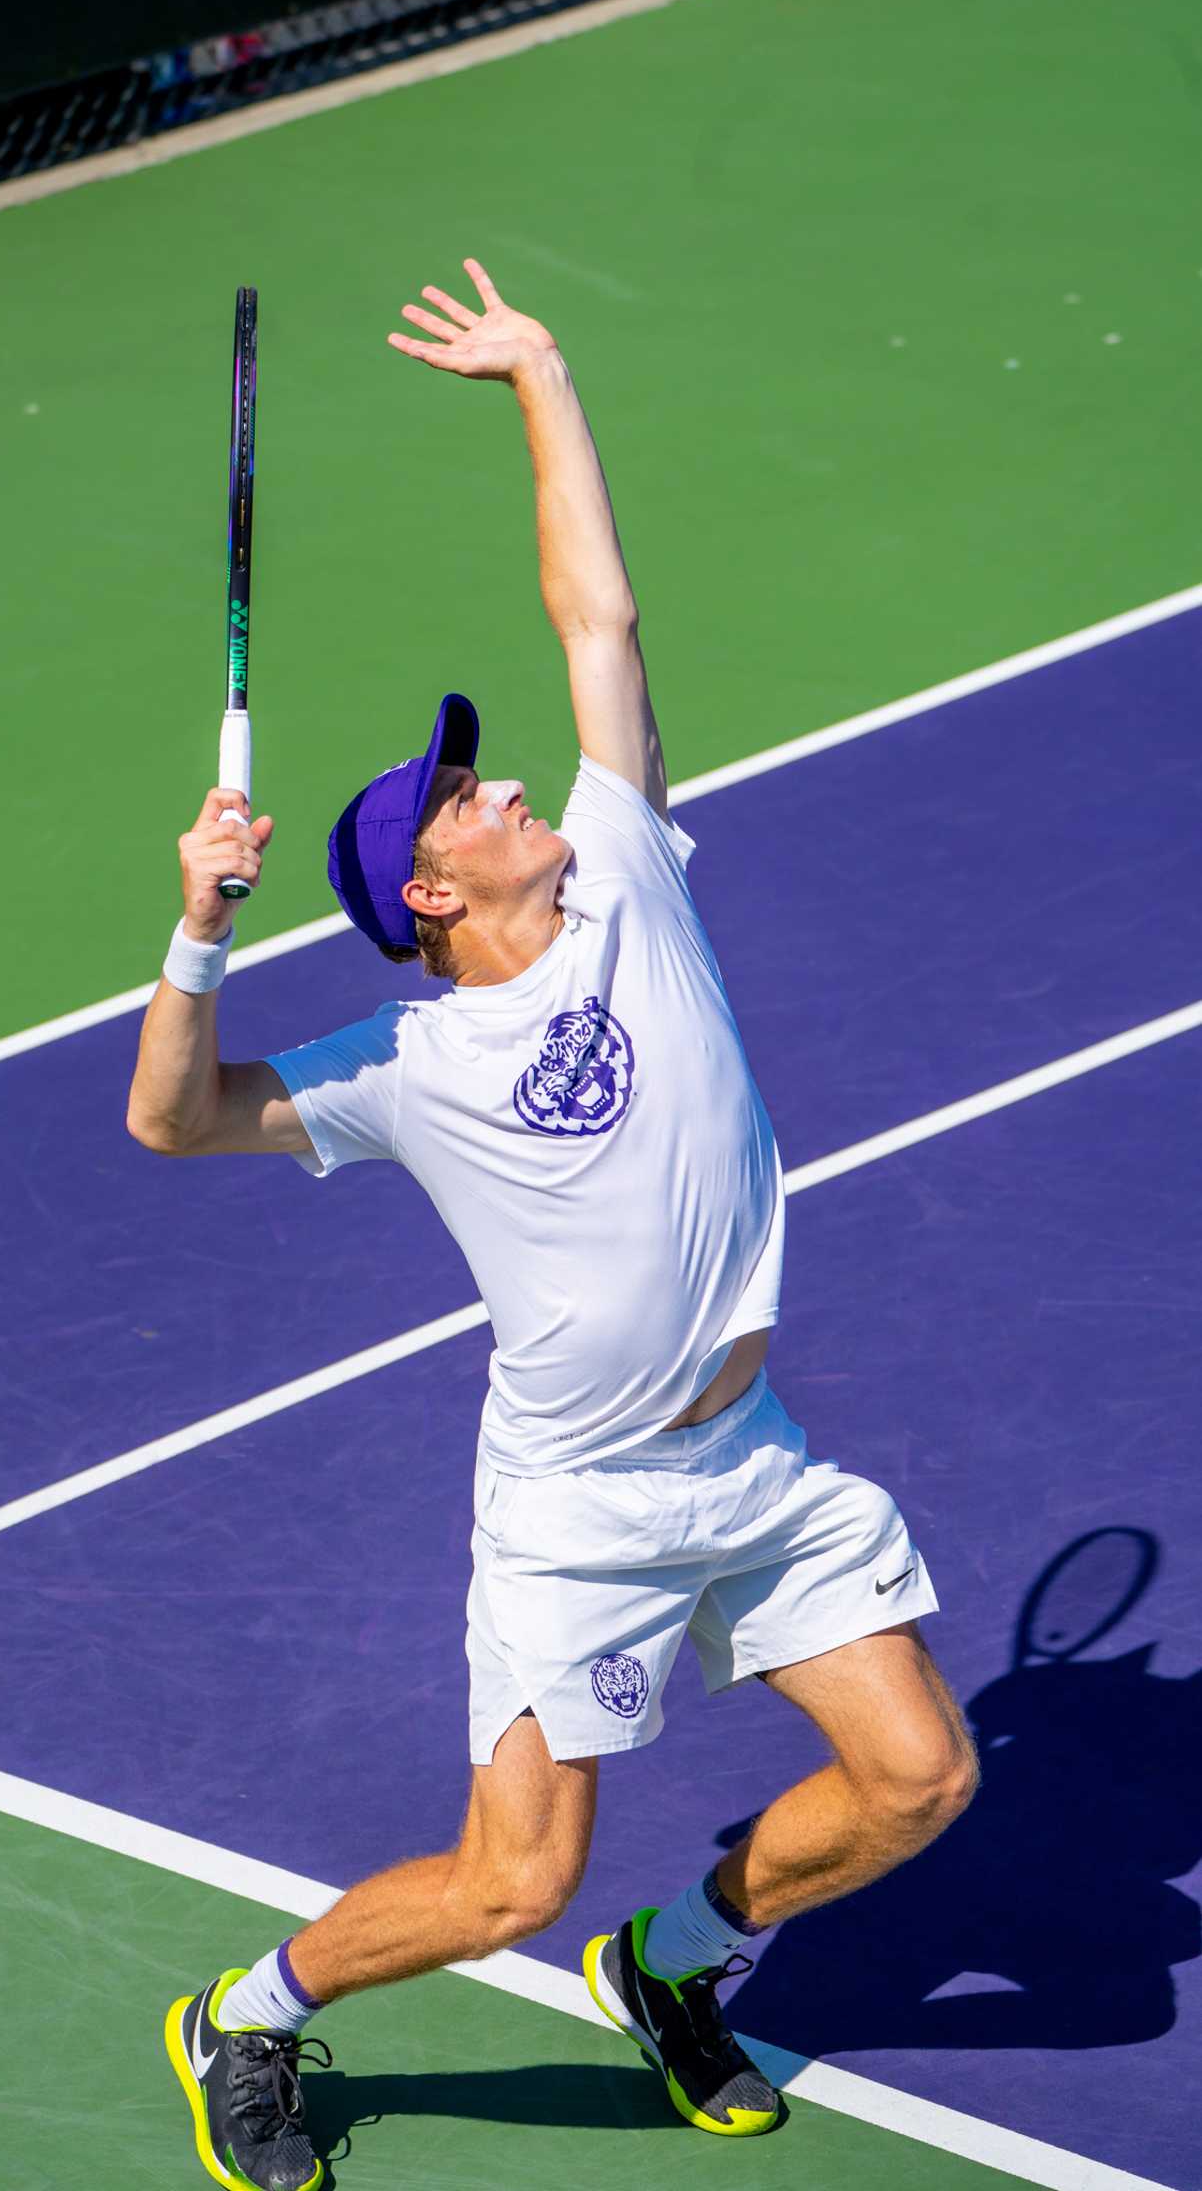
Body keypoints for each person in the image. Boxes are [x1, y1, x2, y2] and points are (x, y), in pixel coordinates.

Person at [129, 259, 978, 2191]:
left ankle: (676, 1970)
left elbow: (594, 610)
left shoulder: (623, 880)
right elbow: (170, 1117)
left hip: (745, 1459)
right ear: (426, 888)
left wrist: (541, 374)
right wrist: (197, 928)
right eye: (466, 790)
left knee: (920, 1778)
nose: (507, 778)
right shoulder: (400, 1062)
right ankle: (245, 2017)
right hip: (577, 1502)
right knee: (510, 1882)